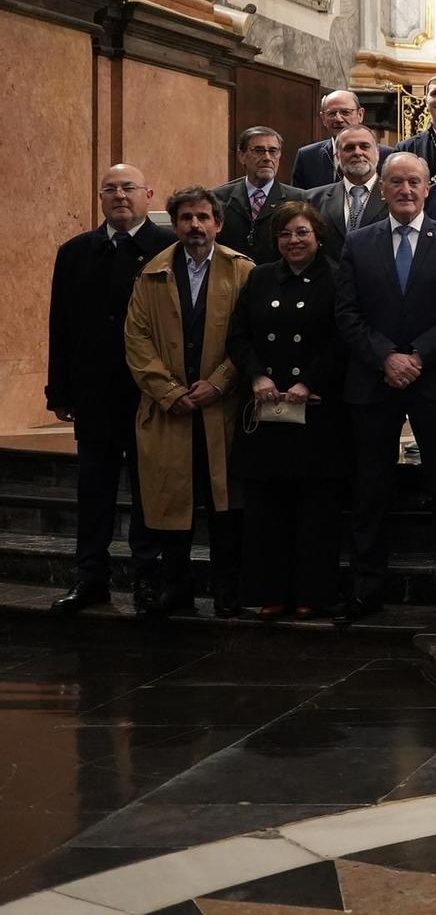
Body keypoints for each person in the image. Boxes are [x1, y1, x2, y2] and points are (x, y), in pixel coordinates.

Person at [333, 152, 436, 623]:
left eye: (414, 182)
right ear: (382, 189)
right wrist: (385, 357)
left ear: (429, 189)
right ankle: (365, 589)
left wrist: (417, 355)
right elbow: (347, 314)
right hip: (373, 382)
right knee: (369, 489)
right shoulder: (358, 242)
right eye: (396, 182)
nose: (405, 190)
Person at [46, 164, 175, 614]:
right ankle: (90, 579)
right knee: (93, 491)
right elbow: (60, 325)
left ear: (148, 194)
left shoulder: (169, 248)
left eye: (129, 188)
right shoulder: (76, 251)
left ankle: (146, 578)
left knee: (147, 491)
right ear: (100, 197)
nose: (120, 195)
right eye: (111, 189)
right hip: (94, 393)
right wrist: (57, 391)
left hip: (148, 395)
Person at [124, 186, 253, 619]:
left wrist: (219, 383)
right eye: (186, 219)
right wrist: (170, 391)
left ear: (218, 223)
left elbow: (250, 338)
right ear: (175, 225)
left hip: (223, 409)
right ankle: (174, 588)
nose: (195, 226)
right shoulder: (151, 275)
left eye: (203, 217)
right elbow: (137, 340)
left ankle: (227, 592)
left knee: (225, 506)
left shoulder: (243, 271)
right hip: (170, 411)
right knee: (172, 505)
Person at [226, 201, 346, 620]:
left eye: (302, 233)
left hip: (316, 410)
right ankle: (270, 591)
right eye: (285, 234)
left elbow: (341, 339)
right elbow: (238, 335)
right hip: (266, 410)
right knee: (266, 509)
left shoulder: (336, 277)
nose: (294, 241)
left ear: (318, 236)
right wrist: (258, 377)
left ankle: (313, 594)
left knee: (315, 509)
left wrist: (308, 381)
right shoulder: (260, 277)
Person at [214, 126, 305, 264]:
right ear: (242, 156)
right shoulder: (218, 198)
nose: (267, 158)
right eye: (259, 151)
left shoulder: (298, 199)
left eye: (273, 151)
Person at [307, 125, 390, 257]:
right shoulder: (313, 199)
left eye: (364, 146)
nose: (357, 152)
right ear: (338, 156)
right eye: (349, 148)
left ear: (377, 153)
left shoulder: (396, 197)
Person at [292, 90, 384, 189]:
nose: (338, 119)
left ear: (360, 114)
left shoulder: (386, 155)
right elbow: (298, 201)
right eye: (332, 113)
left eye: (345, 112)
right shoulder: (307, 156)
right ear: (323, 118)